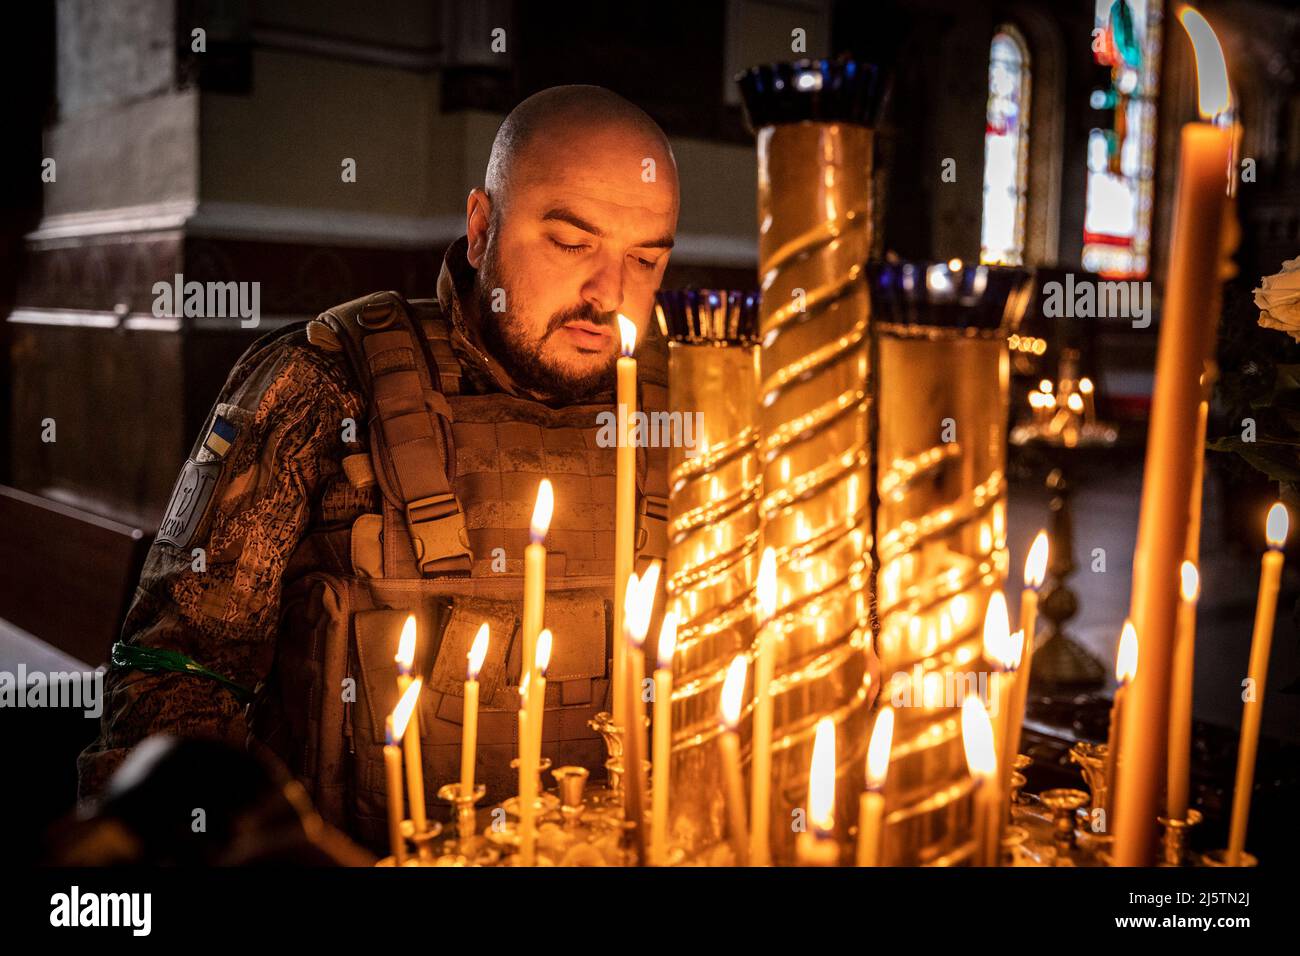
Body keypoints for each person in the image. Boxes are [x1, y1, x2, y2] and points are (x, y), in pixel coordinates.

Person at [79, 85, 680, 851]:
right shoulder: (323, 383)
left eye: (645, 258)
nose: (609, 295)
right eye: (570, 243)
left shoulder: (691, 410)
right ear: (481, 226)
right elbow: (176, 680)